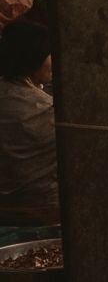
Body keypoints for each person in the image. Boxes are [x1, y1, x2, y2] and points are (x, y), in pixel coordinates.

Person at [0, 19, 59, 227]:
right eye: (49, 53)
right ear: (32, 58)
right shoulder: (45, 109)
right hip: (45, 213)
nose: (54, 60)